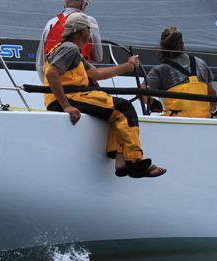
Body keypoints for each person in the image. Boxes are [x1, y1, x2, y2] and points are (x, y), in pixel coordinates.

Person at [44, 12, 166, 178]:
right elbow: (52, 74)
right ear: (82, 31)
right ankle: (135, 161)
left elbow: (97, 74)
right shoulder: (70, 49)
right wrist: (66, 105)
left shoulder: (69, 50)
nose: (90, 35)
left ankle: (121, 161)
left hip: (70, 97)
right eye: (89, 30)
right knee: (123, 108)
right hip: (70, 98)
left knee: (117, 111)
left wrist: (127, 66)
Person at [36, 0, 103, 81]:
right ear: (82, 4)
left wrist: (47, 84)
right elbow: (98, 57)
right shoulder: (89, 21)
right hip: (80, 82)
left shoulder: (50, 23)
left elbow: (40, 61)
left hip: (54, 82)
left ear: (65, 4)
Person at [146, 26, 215, 118]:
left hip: (177, 124)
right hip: (204, 121)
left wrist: (153, 103)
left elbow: (142, 93)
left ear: (162, 47)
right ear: (182, 44)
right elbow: (211, 93)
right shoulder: (201, 63)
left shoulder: (161, 70)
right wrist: (213, 110)